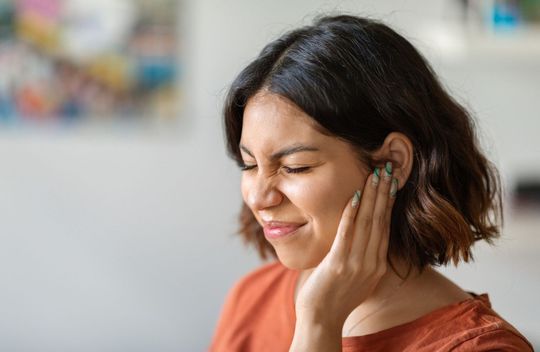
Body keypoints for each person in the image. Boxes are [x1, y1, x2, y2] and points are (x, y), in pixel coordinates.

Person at [209, 15, 533, 352]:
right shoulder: (251, 297)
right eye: (249, 164)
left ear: (391, 163)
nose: (259, 197)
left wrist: (319, 325)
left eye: (295, 167)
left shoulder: (479, 348)